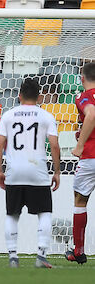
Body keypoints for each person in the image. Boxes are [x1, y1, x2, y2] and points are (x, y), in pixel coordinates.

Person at [0, 78, 60, 268]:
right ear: (39, 97)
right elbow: (54, 146)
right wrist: (57, 172)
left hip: (14, 171)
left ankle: (13, 256)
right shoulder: (46, 116)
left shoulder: (8, 115)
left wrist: (0, 170)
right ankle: (41, 255)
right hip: (37, 170)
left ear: (19, 95)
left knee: (12, 215)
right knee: (45, 213)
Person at [67, 62, 95, 264]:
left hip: (91, 156)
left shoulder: (84, 97)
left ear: (82, 78)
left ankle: (79, 251)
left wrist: (80, 144)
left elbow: (91, 115)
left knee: (80, 200)